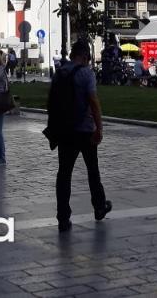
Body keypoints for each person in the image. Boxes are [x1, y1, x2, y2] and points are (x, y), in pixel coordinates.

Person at [48, 40, 111, 232]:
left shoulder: (60, 72)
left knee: (64, 174)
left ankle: (63, 217)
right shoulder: (86, 73)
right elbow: (93, 102)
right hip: (85, 130)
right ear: (84, 57)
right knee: (93, 170)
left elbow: (51, 101)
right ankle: (99, 206)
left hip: (65, 131)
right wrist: (99, 128)